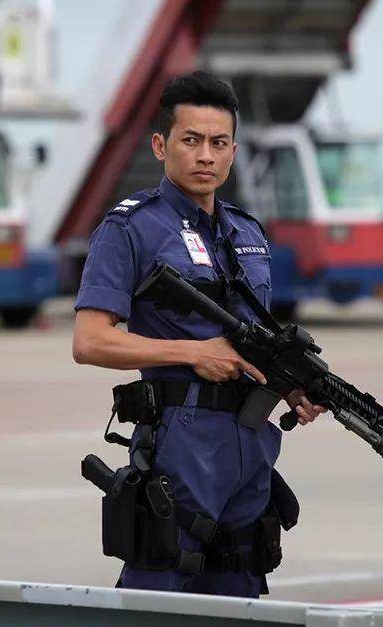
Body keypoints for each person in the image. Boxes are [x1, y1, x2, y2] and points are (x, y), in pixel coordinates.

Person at [71, 71, 324, 597]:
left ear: (233, 151)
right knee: (157, 591)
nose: (205, 156)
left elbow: (253, 342)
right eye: (191, 140)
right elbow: (90, 340)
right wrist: (191, 352)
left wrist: (290, 386)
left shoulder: (247, 233)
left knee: (241, 591)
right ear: (161, 145)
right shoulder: (130, 228)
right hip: (177, 448)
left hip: (249, 448)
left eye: (218, 143)